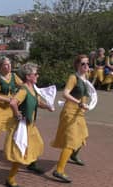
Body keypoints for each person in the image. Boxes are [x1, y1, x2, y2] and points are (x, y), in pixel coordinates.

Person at [4, 62, 54, 187]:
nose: (38, 75)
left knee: (37, 144)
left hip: (31, 126)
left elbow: (37, 102)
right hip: (23, 126)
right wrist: (17, 114)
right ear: (28, 76)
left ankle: (31, 164)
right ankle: (10, 179)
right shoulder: (24, 90)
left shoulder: (33, 89)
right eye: (35, 74)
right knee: (20, 151)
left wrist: (47, 106)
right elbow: (13, 103)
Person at [51, 54, 90, 183]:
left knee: (84, 135)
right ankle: (59, 170)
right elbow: (65, 93)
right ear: (77, 65)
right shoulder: (73, 77)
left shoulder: (86, 78)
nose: (86, 66)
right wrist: (78, 102)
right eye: (83, 64)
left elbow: (87, 94)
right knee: (71, 141)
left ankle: (73, 155)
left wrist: (85, 105)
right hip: (70, 111)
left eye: (87, 64)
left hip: (79, 112)